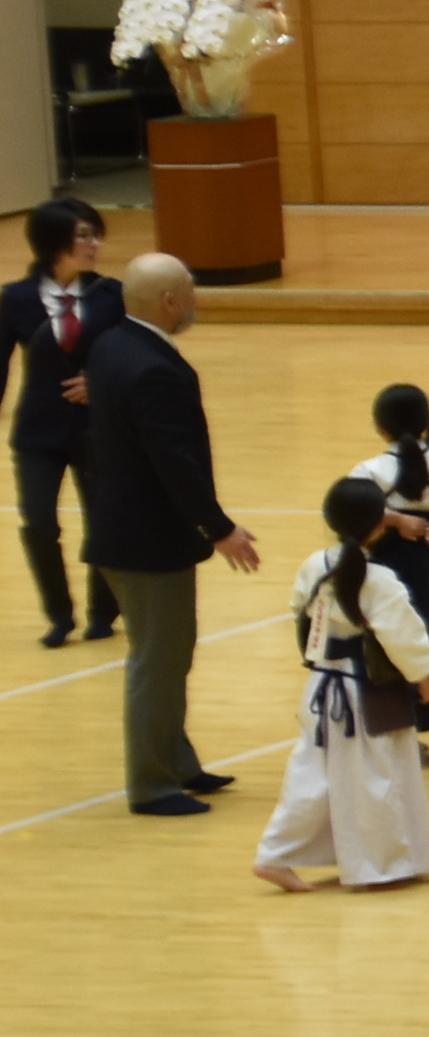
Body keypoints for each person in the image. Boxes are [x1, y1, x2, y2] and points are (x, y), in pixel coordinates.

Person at [81, 254, 254, 818]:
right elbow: (174, 462)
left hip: (123, 531)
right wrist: (219, 528)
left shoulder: (112, 345)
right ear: (169, 302)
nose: (196, 301)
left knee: (168, 657)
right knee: (157, 663)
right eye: (190, 292)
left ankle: (177, 762)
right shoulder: (154, 368)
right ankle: (152, 784)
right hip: (146, 543)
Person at [248, 478, 429, 891]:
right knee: (376, 776)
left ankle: (274, 854)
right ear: (378, 526)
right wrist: (423, 679)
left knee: (312, 776)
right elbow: (402, 637)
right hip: (365, 690)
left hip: (321, 686)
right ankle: (380, 865)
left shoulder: (314, 565)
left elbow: (299, 611)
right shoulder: (379, 579)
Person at [7, 201, 118, 649]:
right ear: (54, 242)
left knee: (103, 520)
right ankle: (58, 615)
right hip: (38, 432)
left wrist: (101, 381)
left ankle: (103, 611)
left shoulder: (112, 296)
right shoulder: (15, 299)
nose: (94, 244)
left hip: (98, 428)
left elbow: (137, 356)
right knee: (37, 522)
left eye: (95, 235)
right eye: (84, 235)